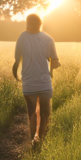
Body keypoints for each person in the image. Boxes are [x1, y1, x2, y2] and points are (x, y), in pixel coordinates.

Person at [13, 13, 61, 147]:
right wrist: (51, 70)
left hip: (29, 82)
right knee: (45, 113)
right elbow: (55, 61)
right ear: (41, 24)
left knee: (32, 112)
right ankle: (39, 139)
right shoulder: (48, 39)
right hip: (44, 82)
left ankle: (33, 140)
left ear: (27, 23)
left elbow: (17, 58)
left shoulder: (22, 37)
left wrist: (16, 75)